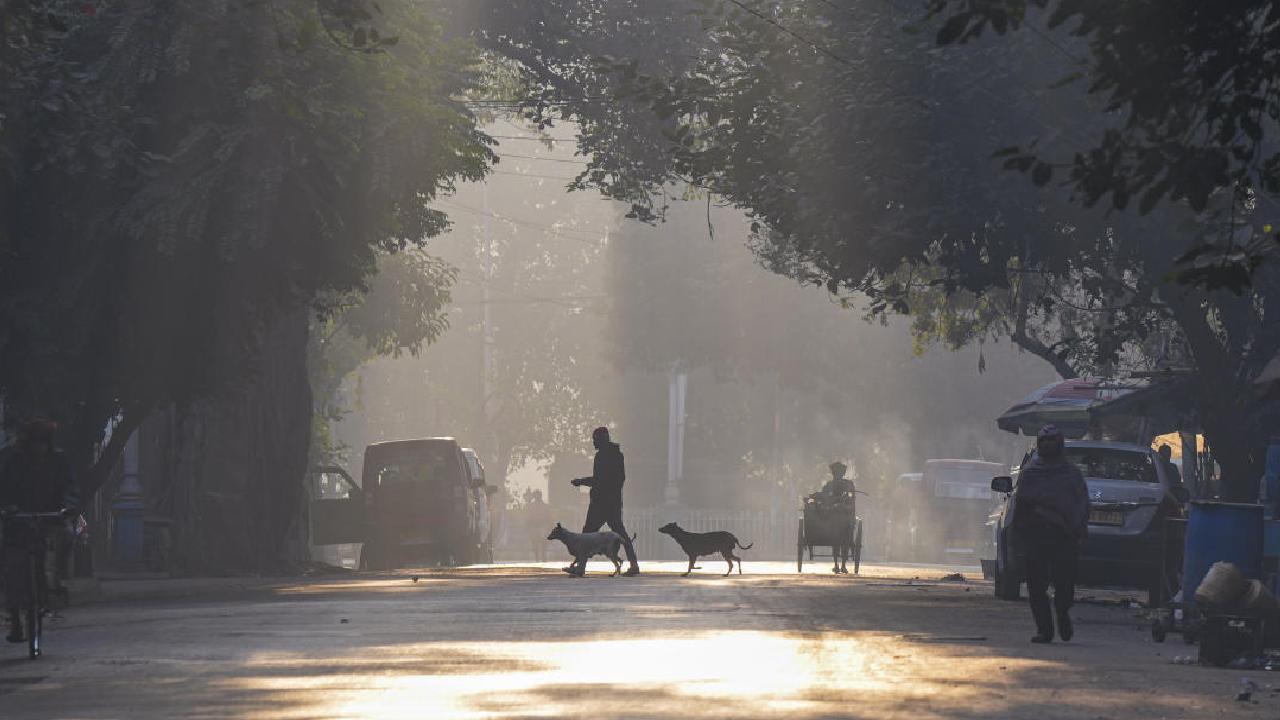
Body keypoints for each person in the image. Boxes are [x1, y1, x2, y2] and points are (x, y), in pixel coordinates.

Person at [0, 419, 78, 643]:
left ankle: (57, 586)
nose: (39, 448)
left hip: (50, 521)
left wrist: (66, 508)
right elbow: (4, 489)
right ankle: (15, 620)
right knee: (13, 570)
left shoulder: (59, 460)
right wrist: (8, 508)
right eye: (35, 443)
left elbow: (70, 487)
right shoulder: (13, 461)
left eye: (43, 443)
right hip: (18, 522)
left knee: (66, 538)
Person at [1014, 424, 1089, 644]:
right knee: (1036, 587)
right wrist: (1019, 533)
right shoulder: (1030, 473)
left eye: (1052, 440)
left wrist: (1078, 529)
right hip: (1036, 535)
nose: (1047, 445)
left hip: (1064, 536)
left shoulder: (1072, 475)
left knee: (1064, 584)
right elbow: (1021, 505)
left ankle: (1063, 613)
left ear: (1060, 444)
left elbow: (1081, 504)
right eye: (1043, 441)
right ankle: (1044, 630)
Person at [570, 427, 639, 576]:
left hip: (600, 504)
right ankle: (634, 564)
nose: (593, 442)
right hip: (612, 503)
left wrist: (582, 482)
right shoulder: (617, 455)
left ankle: (579, 567)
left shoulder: (601, 457)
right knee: (621, 534)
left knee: (586, 536)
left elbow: (599, 480)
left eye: (595, 439)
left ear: (601, 440)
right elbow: (619, 479)